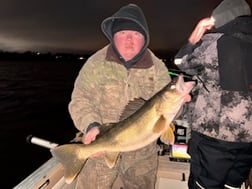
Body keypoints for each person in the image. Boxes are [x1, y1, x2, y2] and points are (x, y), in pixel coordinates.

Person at [68, 4, 172, 189]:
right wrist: (91, 126)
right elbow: (80, 100)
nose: (130, 40)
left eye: (137, 34)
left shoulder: (157, 68)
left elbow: (166, 109)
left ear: (145, 39)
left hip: (142, 154)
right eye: (123, 33)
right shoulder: (96, 64)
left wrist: (180, 105)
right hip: (101, 141)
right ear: (113, 36)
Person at [174, 0, 252, 188]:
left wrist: (196, 34)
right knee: (233, 186)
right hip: (248, 141)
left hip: (214, 139)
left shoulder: (213, 43)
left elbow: (181, 61)